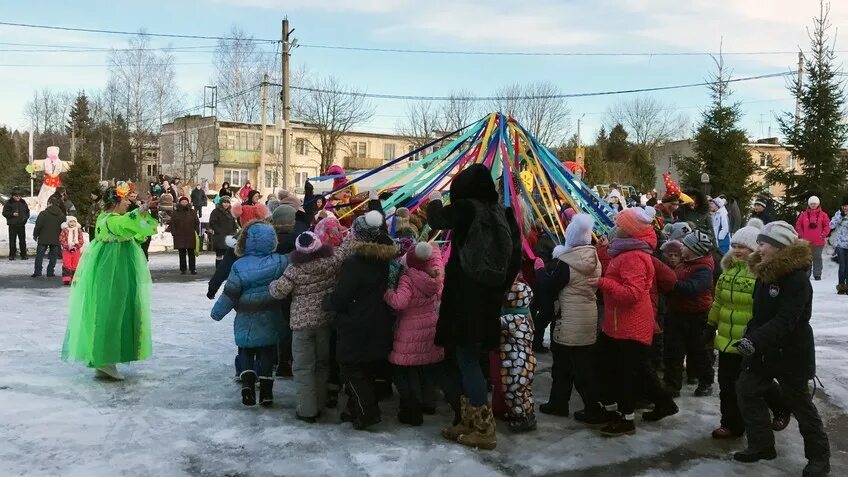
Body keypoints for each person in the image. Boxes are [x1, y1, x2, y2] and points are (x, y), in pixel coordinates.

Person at [425, 164, 522, 450]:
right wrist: (498, 289)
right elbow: (514, 258)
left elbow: (436, 220)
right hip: (489, 298)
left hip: (463, 298)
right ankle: (467, 420)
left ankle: (482, 426)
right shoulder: (504, 212)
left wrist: (433, 199)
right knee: (469, 358)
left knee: (465, 359)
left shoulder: (466, 208)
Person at [733, 221, 831, 476]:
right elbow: (760, 314)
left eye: (763, 243)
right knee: (747, 389)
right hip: (764, 349)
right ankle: (762, 445)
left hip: (791, 353)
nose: (759, 248)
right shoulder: (764, 273)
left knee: (800, 405)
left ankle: (819, 458)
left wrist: (755, 340)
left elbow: (786, 320)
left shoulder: (797, 279)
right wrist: (749, 336)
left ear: (778, 247)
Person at [590, 206, 679, 437]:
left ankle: (626, 419)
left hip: (629, 326)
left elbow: (632, 294)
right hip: (617, 323)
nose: (614, 228)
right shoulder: (624, 252)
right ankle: (619, 408)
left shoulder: (634, 257)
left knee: (626, 373)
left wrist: (601, 283)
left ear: (629, 232)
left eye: (619, 225)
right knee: (610, 365)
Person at [62, 182, 158, 380]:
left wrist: (139, 215)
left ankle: (104, 359)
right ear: (116, 202)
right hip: (115, 267)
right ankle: (105, 358)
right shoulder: (111, 220)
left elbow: (133, 231)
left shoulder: (104, 217)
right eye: (124, 200)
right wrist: (141, 210)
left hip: (114, 265)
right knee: (114, 309)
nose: (127, 203)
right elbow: (125, 225)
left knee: (111, 309)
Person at [707, 219, 790, 439]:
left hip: (749, 340)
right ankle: (731, 424)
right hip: (726, 338)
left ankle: (781, 406)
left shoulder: (759, 275)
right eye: (734, 246)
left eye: (742, 247)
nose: (737, 251)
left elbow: (765, 310)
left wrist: (758, 337)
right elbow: (718, 302)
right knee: (726, 384)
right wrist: (710, 324)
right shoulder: (727, 273)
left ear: (754, 249)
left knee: (757, 383)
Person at [322, 210, 398, 431]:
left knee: (351, 369)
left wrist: (329, 302)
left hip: (356, 323)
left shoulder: (354, 263)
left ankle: (366, 413)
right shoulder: (386, 259)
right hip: (380, 320)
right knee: (367, 369)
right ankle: (356, 409)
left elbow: (343, 295)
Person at [269, 231, 346, 422]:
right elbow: (346, 249)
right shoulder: (332, 261)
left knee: (303, 367)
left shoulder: (294, 269)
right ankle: (319, 403)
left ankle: (307, 410)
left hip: (302, 324)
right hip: (325, 321)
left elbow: (278, 292)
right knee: (322, 364)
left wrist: (271, 284)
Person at [535, 214, 604, 423]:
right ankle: (560, 403)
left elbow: (549, 286)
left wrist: (539, 270)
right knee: (576, 364)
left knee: (569, 366)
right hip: (587, 317)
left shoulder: (567, 263)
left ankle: (587, 407)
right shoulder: (594, 257)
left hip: (568, 319)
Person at [212, 221, 287, 406]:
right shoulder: (280, 261)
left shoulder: (239, 265)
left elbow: (230, 293)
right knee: (267, 351)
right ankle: (267, 392)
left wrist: (217, 312)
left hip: (245, 315)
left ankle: (247, 386)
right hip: (270, 314)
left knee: (246, 349)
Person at [383, 241, 444, 427]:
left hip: (409, 329)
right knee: (426, 367)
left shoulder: (408, 278)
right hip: (429, 325)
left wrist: (387, 293)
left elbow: (400, 302)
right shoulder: (433, 276)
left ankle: (413, 407)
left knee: (408, 370)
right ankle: (429, 403)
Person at [663, 230, 715, 397]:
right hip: (676, 313)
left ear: (694, 249)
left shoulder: (704, 269)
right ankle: (672, 384)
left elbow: (692, 289)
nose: (681, 247)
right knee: (673, 351)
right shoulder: (683, 264)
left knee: (699, 351)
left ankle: (705, 381)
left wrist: (671, 282)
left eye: (685, 245)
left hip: (697, 316)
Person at [493, 280, 537, 433]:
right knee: (523, 391)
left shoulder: (510, 319)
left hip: (516, 363)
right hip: (526, 361)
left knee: (512, 390)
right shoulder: (525, 316)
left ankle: (522, 418)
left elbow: (492, 324)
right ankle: (529, 415)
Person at [795, 196, 831, 281]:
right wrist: (802, 235)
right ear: (809, 204)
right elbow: (798, 225)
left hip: (819, 241)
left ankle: (817, 274)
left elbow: (827, 226)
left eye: (814, 204)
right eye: (811, 204)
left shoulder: (823, 215)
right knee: (807, 258)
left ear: (818, 204)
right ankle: (806, 274)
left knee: (817, 258)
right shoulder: (803, 214)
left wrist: (822, 235)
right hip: (806, 242)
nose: (813, 205)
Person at [32, 195, 65, 278]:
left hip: (43, 237)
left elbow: (38, 226)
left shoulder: (43, 213)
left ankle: (37, 271)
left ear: (49, 203)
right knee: (53, 256)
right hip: (55, 238)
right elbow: (63, 228)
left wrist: (35, 235)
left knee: (39, 255)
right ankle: (50, 272)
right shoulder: (61, 215)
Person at [168, 196, 200, 275]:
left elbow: (197, 222)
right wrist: (174, 232)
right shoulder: (175, 212)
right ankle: (183, 269)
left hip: (190, 235)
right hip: (179, 235)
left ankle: (193, 269)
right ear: (180, 202)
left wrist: (196, 231)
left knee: (191, 253)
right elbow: (172, 223)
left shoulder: (192, 211)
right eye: (183, 201)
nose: (184, 203)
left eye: (186, 201)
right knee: (182, 253)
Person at [209, 196, 238, 268]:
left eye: (227, 203)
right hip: (220, 236)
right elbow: (212, 223)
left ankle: (226, 271)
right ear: (221, 203)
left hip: (229, 236)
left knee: (227, 255)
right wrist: (218, 231)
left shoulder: (231, 211)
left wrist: (234, 232)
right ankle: (218, 270)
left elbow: (234, 223)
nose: (226, 204)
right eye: (224, 202)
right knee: (219, 255)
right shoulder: (216, 211)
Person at [3, 187, 29, 260]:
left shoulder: (23, 202)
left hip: (21, 224)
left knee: (22, 241)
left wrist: (26, 218)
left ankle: (23, 255)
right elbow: (4, 213)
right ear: (13, 196)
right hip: (12, 225)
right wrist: (12, 214)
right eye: (16, 196)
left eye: (19, 196)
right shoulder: (9, 202)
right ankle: (12, 255)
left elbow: (27, 211)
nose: (18, 197)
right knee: (12, 240)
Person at [59, 216, 84, 286]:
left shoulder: (78, 230)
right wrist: (68, 246)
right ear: (67, 222)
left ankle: (74, 278)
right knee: (67, 264)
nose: (72, 223)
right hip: (67, 250)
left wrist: (77, 246)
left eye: (74, 222)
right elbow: (62, 239)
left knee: (75, 263)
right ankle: (67, 279)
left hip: (76, 250)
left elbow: (81, 239)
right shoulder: (65, 230)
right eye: (70, 221)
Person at [831, 196, 848, 295]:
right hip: (840, 245)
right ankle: (841, 287)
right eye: (844, 206)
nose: (845, 208)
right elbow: (831, 225)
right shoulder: (839, 214)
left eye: (847, 206)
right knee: (842, 266)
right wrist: (840, 216)